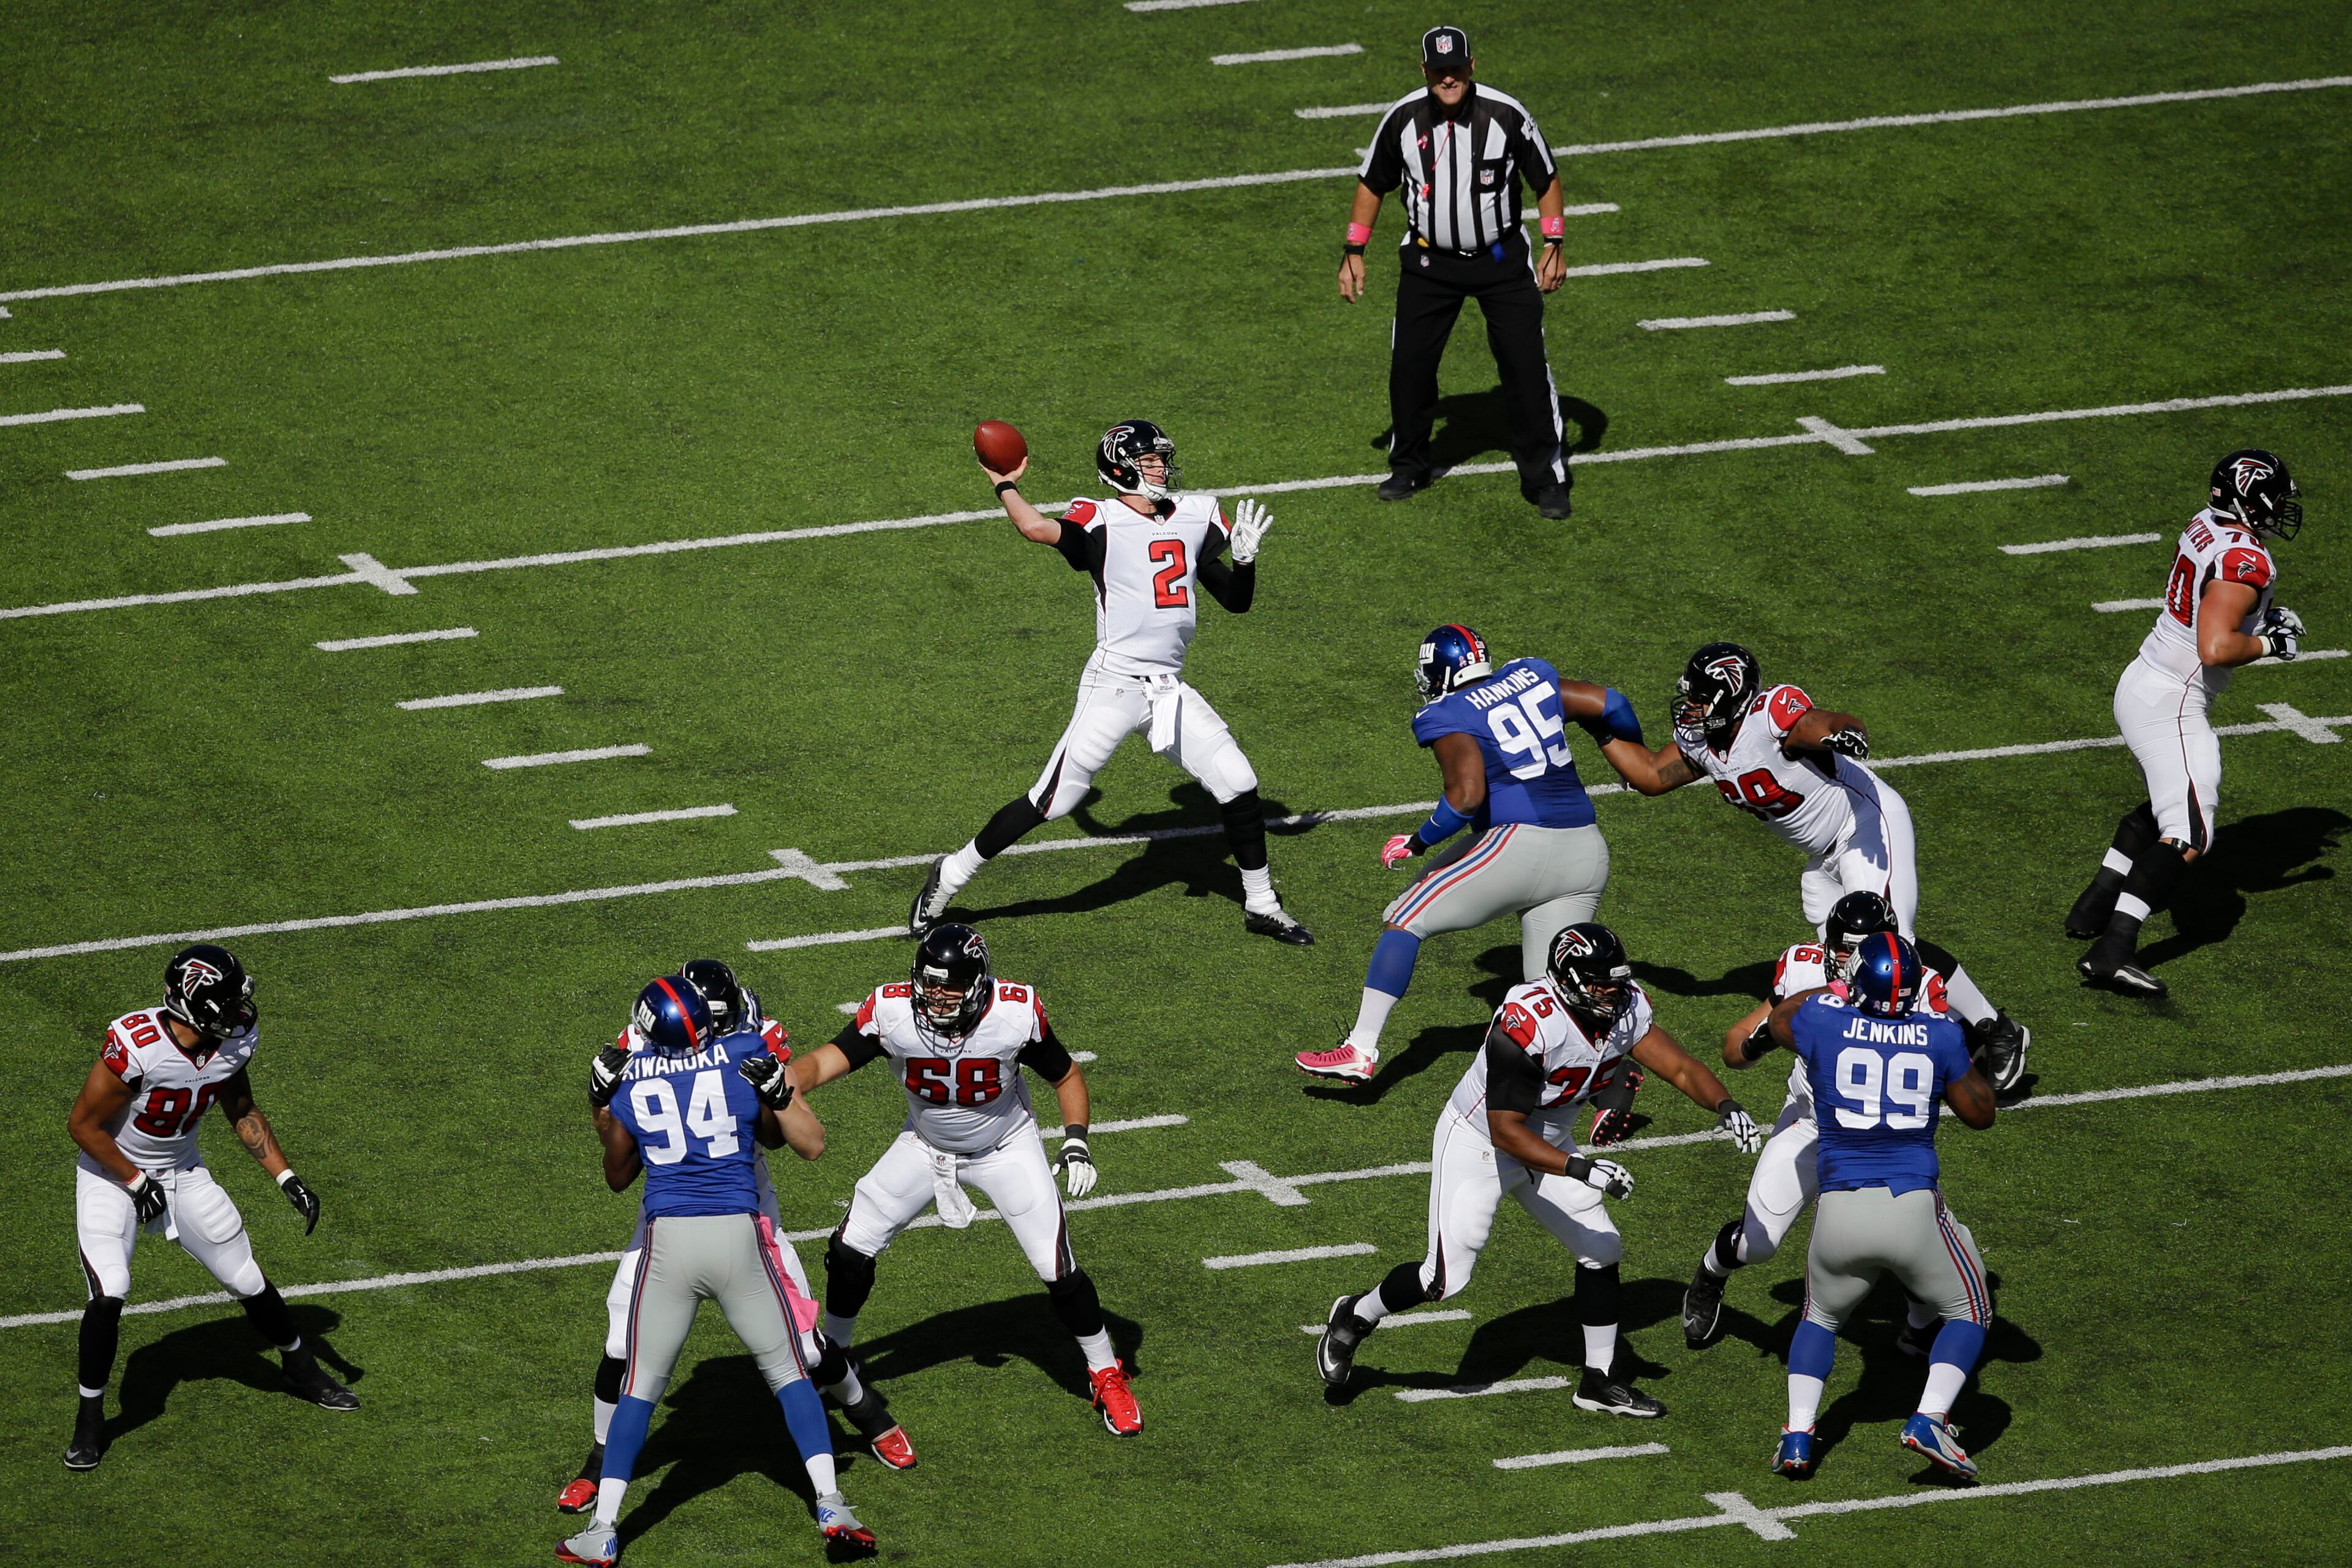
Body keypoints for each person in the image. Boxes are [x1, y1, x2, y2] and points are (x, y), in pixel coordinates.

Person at [1313, 925, 1762, 1416]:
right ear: (1569, 980)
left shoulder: (1623, 1006)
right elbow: (1505, 1130)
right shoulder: (1527, 1020)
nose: (1613, 995)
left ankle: (1598, 1381)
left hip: (1548, 1140)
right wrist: (1580, 1168)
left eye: (1615, 984)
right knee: (1443, 1279)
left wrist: (1724, 1104)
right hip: (1481, 1143)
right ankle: (1354, 1316)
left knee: (1601, 1247)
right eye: (1600, 985)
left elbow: (1677, 1066)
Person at [910, 420, 1311, 945]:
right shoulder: (1100, 518)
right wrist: (1004, 482)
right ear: (1122, 469)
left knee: (1238, 782)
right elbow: (1037, 529)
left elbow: (1236, 601)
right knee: (1053, 801)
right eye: (1149, 461)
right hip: (1115, 685)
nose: (1161, 468)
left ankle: (1261, 904)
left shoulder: (1196, 515)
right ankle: (951, 876)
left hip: (1166, 687)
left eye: (1162, 459)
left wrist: (1245, 559)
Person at [557, 960, 912, 1517]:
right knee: (622, 1340)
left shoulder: (751, 1040)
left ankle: (868, 1410)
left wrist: (774, 1094)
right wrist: (601, 1108)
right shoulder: (650, 1040)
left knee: (803, 1339)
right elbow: (621, 1157)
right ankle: (600, 1460)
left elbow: (790, 1138)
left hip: (743, 1192)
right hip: (670, 1203)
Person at [1596, 642, 2029, 1089]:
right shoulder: (1704, 742)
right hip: (1823, 855)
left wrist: (1844, 731)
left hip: (1866, 826)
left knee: (1890, 946)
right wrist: (1597, 728)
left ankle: (1996, 1030)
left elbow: (1816, 724)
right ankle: (1911, 1042)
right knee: (1849, 965)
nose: (1691, 708)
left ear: (1731, 695)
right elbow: (1650, 775)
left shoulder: (1768, 717)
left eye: (1702, 698)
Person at [796, 924, 1144, 1437]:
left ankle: (1105, 1372)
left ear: (979, 983)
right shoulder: (892, 1012)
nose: (936, 996)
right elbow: (828, 1058)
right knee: (850, 1250)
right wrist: (787, 1082)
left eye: (950, 985)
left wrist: (1075, 1140)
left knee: (1057, 1268)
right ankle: (836, 1356)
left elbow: (1065, 1076)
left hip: (1006, 1146)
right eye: (929, 983)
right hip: (924, 1144)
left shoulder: (1014, 1013)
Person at [1298, 624, 1638, 1084]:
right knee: (1549, 996)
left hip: (1520, 844)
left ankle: (1359, 1048)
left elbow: (1466, 797)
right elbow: (1613, 704)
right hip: (1586, 851)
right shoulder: (1531, 675)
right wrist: (1630, 760)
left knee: (1405, 916)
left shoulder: (1447, 710)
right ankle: (1610, 1084)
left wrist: (1417, 841)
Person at [64, 944, 353, 1471]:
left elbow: (239, 1106)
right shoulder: (139, 1044)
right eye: (225, 1001)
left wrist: (286, 1178)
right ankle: (90, 1418)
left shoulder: (233, 1042)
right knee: (111, 1292)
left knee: (245, 1277)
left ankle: (301, 1367)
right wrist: (133, 1180)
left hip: (182, 1171)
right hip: (112, 1173)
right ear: (193, 1003)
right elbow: (83, 1126)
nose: (237, 1012)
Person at [2070, 449, 2307, 996]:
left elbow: (2208, 605)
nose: (2281, 509)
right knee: (2191, 833)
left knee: (2163, 804)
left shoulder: (2206, 527)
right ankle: (2113, 949)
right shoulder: (2247, 559)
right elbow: (2217, 645)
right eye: (2275, 498)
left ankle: (2094, 905)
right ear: (2251, 497)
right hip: (2174, 701)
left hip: (2143, 678)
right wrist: (2271, 642)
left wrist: (2259, 619)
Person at [1681, 893, 1960, 1352]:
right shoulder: (1805, 969)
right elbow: (1735, 1048)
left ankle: (1921, 1321)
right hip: (1813, 1126)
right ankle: (1712, 1272)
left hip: (1886, 1139)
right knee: (1759, 1243)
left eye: (1864, 948)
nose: (1851, 960)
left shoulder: (1919, 984)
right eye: (1845, 948)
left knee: (1912, 1241)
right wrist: (1761, 1041)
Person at [1763, 933, 1997, 1480]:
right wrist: (1955, 1056)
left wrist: (1835, 988)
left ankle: (1798, 1436)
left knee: (1820, 1316)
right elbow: (1982, 1114)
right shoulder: (1939, 1033)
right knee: (1972, 1309)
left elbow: (1778, 1024)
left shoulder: (1822, 1018)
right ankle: (1930, 1418)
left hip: (1839, 1207)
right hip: (1909, 1203)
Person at [1340, 25, 1575, 519]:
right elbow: (1372, 183)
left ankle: (1546, 476)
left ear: (1472, 66)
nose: (1449, 79)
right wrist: (1353, 250)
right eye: (1439, 71)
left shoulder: (1507, 114)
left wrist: (1554, 241)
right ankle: (1409, 465)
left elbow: (1546, 177)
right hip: (1429, 265)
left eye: (1457, 69)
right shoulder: (1403, 118)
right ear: (1425, 71)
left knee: (1526, 370)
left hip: (1501, 261)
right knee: (1410, 368)